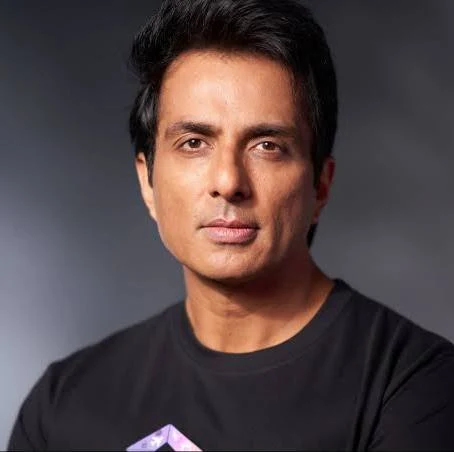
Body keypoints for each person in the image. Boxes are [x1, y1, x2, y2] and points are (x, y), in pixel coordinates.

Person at [8, 0, 454, 450]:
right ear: (147, 181)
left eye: (266, 146)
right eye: (194, 143)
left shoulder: (416, 387)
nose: (228, 182)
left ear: (320, 184)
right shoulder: (65, 406)